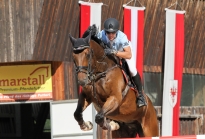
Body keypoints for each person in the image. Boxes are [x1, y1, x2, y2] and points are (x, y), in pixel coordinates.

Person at [85, 18, 146, 107]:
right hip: (110, 54)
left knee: (132, 70)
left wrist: (115, 52)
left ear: (116, 31)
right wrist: (88, 33)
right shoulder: (101, 34)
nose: (110, 35)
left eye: (113, 33)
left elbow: (128, 55)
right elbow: (91, 41)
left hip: (123, 53)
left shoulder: (122, 37)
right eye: (108, 32)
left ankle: (141, 95)